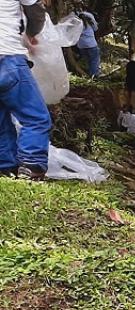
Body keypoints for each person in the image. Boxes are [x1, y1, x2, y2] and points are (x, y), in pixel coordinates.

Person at [0, 0, 51, 180]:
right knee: (36, 118)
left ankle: (5, 166)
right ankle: (31, 166)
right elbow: (37, 12)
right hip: (7, 57)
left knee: (1, 119)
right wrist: (30, 34)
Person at [75, 9, 99, 77]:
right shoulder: (89, 16)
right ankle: (93, 76)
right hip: (91, 44)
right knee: (94, 60)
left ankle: (87, 74)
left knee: (87, 60)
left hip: (81, 45)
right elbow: (95, 28)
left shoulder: (75, 18)